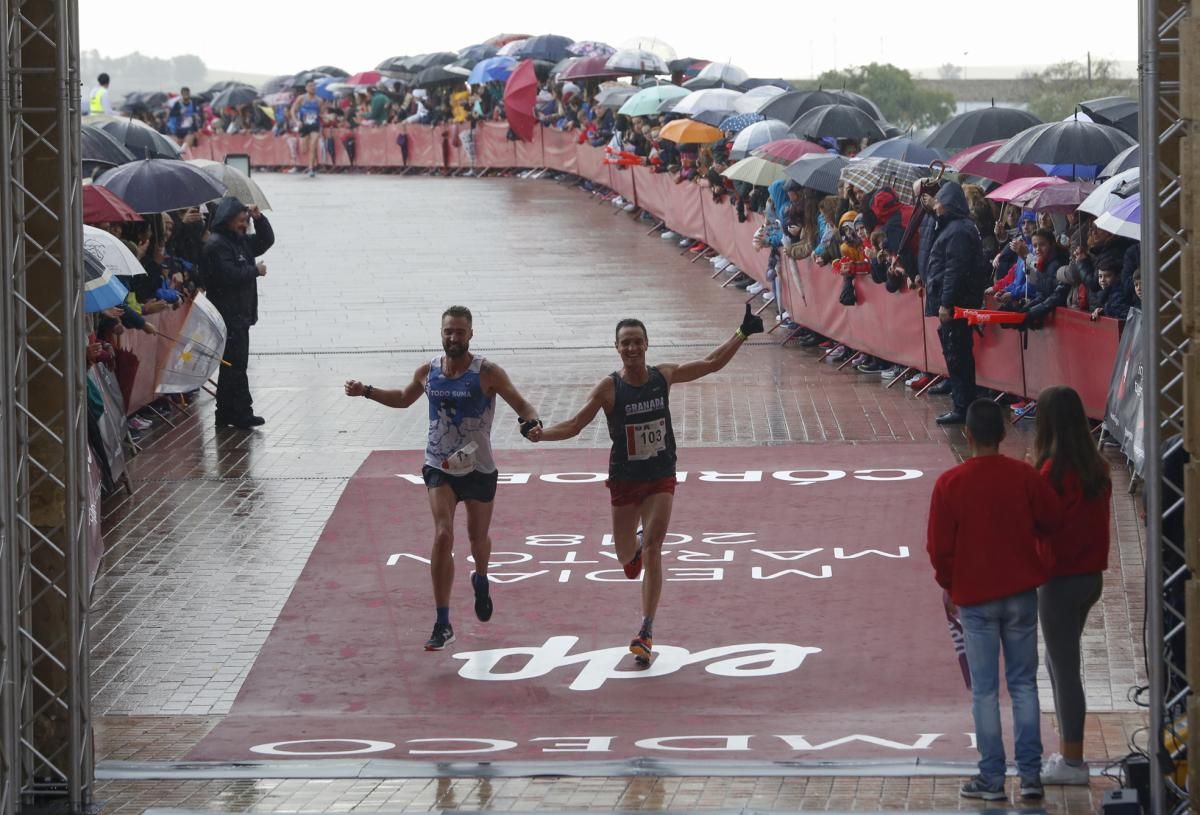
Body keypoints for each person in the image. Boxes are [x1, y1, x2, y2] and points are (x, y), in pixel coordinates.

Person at [526, 305, 764, 663]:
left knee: (654, 548)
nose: (632, 348)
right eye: (626, 343)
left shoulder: (662, 376)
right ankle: (632, 547)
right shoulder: (609, 388)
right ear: (616, 347)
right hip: (625, 480)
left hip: (660, 474)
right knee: (626, 558)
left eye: (638, 342)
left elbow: (711, 363)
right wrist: (541, 436)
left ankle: (646, 630)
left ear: (647, 344)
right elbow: (575, 425)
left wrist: (742, 333)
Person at [343, 306, 541, 651]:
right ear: (441, 333)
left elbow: (523, 405)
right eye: (448, 331)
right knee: (443, 535)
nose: (453, 337)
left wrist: (531, 423)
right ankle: (442, 621)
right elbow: (404, 399)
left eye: (460, 332)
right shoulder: (428, 371)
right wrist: (367, 391)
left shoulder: (488, 372)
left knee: (477, 540)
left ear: (470, 334)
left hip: (479, 468)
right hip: (440, 466)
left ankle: (481, 577)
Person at [927, 399, 1062, 802]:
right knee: (1023, 685)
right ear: (1003, 434)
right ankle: (1031, 776)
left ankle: (991, 777)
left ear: (967, 434)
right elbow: (1052, 519)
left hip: (975, 597)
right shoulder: (1024, 476)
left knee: (985, 690)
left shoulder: (950, 484)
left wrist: (949, 585)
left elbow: (938, 548)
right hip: (1021, 593)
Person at [1029, 385, 1111, 785]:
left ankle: (1073, 760)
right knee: (1058, 662)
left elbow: (1041, 525)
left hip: (1059, 580)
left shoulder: (1051, 473)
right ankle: (1067, 751)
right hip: (1090, 577)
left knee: (1064, 668)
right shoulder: (1097, 467)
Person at [201, 197, 274, 429]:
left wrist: (259, 218)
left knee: (233, 366)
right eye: (241, 220)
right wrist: (255, 270)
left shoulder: (240, 241)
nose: (244, 225)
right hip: (227, 315)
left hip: (241, 315)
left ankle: (225, 413)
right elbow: (228, 275)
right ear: (228, 220)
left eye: (246, 221)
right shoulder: (216, 244)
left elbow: (266, 240)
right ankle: (241, 413)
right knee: (235, 366)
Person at [928, 182, 986, 425]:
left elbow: (954, 270)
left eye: (939, 202)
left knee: (957, 354)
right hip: (957, 300)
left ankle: (963, 406)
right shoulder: (957, 228)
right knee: (957, 352)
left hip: (957, 303)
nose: (936, 207)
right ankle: (963, 403)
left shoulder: (958, 231)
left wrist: (946, 303)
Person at [289, 80, 325, 177]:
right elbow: (292, 110)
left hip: (315, 125)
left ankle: (311, 168)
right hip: (304, 126)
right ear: (306, 88)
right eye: (310, 86)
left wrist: (326, 117)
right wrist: (296, 121)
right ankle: (311, 164)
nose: (313, 88)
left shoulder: (319, 100)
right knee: (303, 149)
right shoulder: (301, 98)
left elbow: (322, 113)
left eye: (314, 86)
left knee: (313, 146)